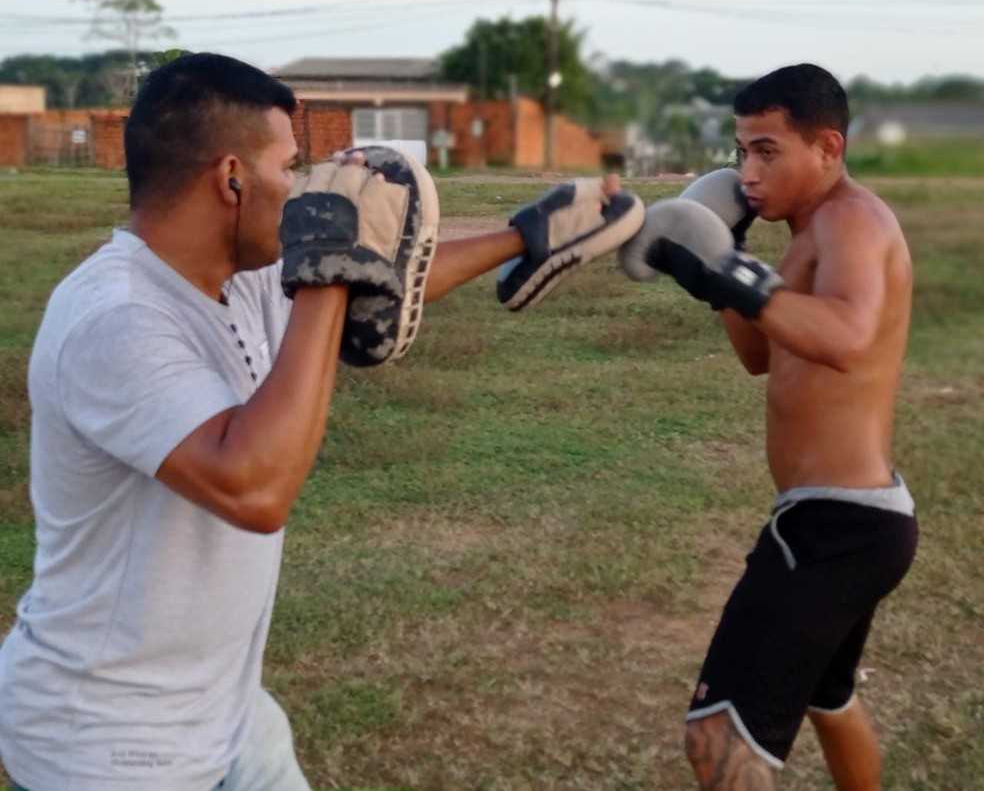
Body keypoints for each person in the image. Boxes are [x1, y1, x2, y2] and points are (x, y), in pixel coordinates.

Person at [0, 52, 642, 791]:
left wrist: (526, 236)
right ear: (232, 178)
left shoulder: (236, 277)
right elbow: (255, 488)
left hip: (225, 713)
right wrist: (329, 268)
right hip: (108, 742)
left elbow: (382, 288)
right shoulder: (117, 317)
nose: (302, 188)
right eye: (290, 168)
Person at [619, 63, 918, 790]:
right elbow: (760, 355)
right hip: (856, 519)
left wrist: (735, 277)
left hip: (834, 527)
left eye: (767, 151)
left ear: (828, 147)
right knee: (829, 699)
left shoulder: (851, 220)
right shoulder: (808, 231)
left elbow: (848, 336)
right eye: (741, 151)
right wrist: (725, 260)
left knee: (717, 740)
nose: (747, 172)